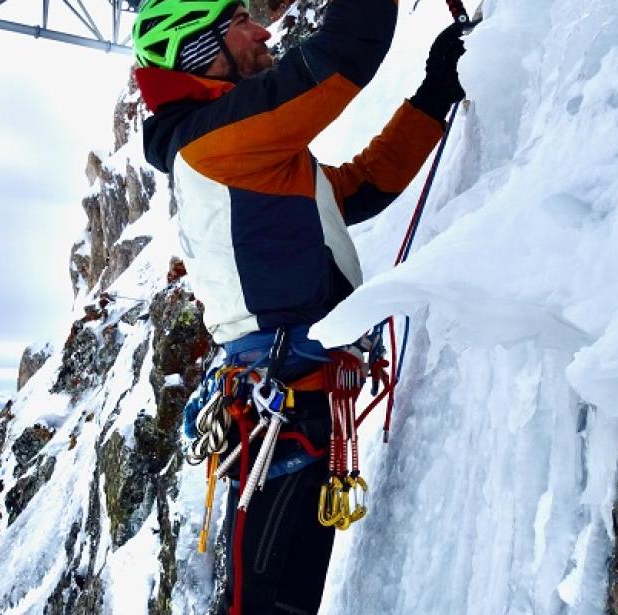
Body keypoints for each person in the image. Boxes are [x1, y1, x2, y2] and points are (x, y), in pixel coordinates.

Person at [132, 0, 466, 612]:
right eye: (239, 22)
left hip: (288, 406)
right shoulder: (218, 142)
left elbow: (357, 190)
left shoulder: (235, 150)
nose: (263, 30)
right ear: (197, 49)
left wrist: (434, 92)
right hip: (287, 406)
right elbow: (347, 49)